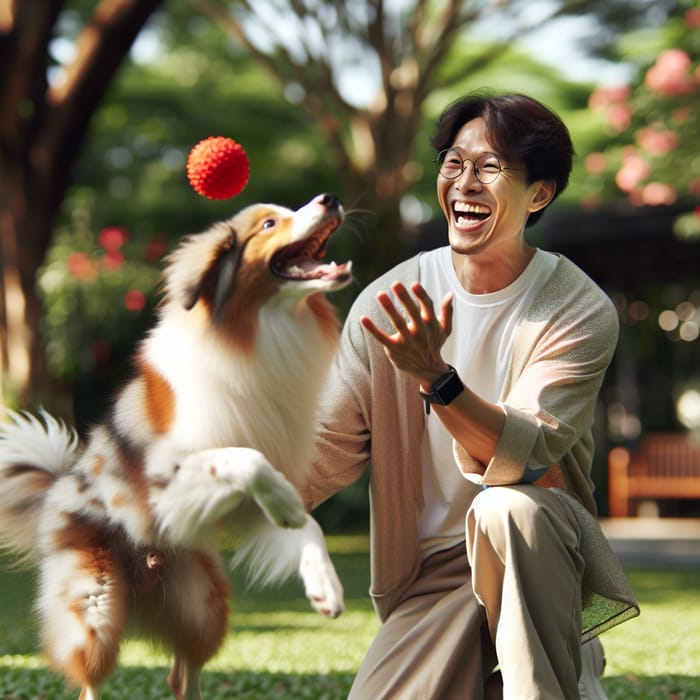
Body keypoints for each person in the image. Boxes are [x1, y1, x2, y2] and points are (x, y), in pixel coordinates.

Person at [302, 91, 638, 699]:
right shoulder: (390, 302)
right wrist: (193, 517)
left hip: (540, 555)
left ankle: (554, 676)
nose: (465, 183)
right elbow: (323, 452)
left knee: (507, 507)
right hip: (433, 574)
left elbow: (526, 458)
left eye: (490, 167)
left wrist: (437, 377)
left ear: (539, 193)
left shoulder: (575, 306)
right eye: (454, 164)